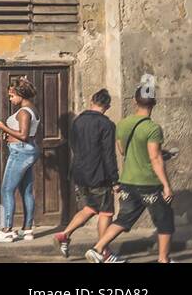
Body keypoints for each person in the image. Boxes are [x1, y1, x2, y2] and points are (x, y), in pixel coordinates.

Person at [87, 86, 174, 264]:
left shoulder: (124, 124)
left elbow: (122, 149)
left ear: (135, 101)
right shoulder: (153, 128)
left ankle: (97, 248)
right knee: (165, 221)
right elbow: (155, 157)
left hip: (128, 181)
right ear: (154, 103)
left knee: (124, 219)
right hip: (148, 183)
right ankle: (163, 260)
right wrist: (166, 185)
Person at [53, 89, 117, 258]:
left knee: (90, 208)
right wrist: (115, 180)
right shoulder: (107, 125)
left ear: (91, 101)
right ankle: (103, 250)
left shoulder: (77, 121)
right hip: (98, 174)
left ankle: (64, 234)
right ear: (108, 106)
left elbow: (74, 146)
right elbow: (109, 154)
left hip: (79, 173)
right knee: (106, 212)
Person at [0, 77, 40, 243]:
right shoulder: (32, 109)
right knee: (26, 190)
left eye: (11, 96)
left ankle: (7, 230)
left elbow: (23, 135)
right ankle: (27, 229)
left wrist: (2, 127)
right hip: (28, 151)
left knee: (7, 190)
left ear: (20, 94)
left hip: (20, 152)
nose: (10, 99)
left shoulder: (23, 112)